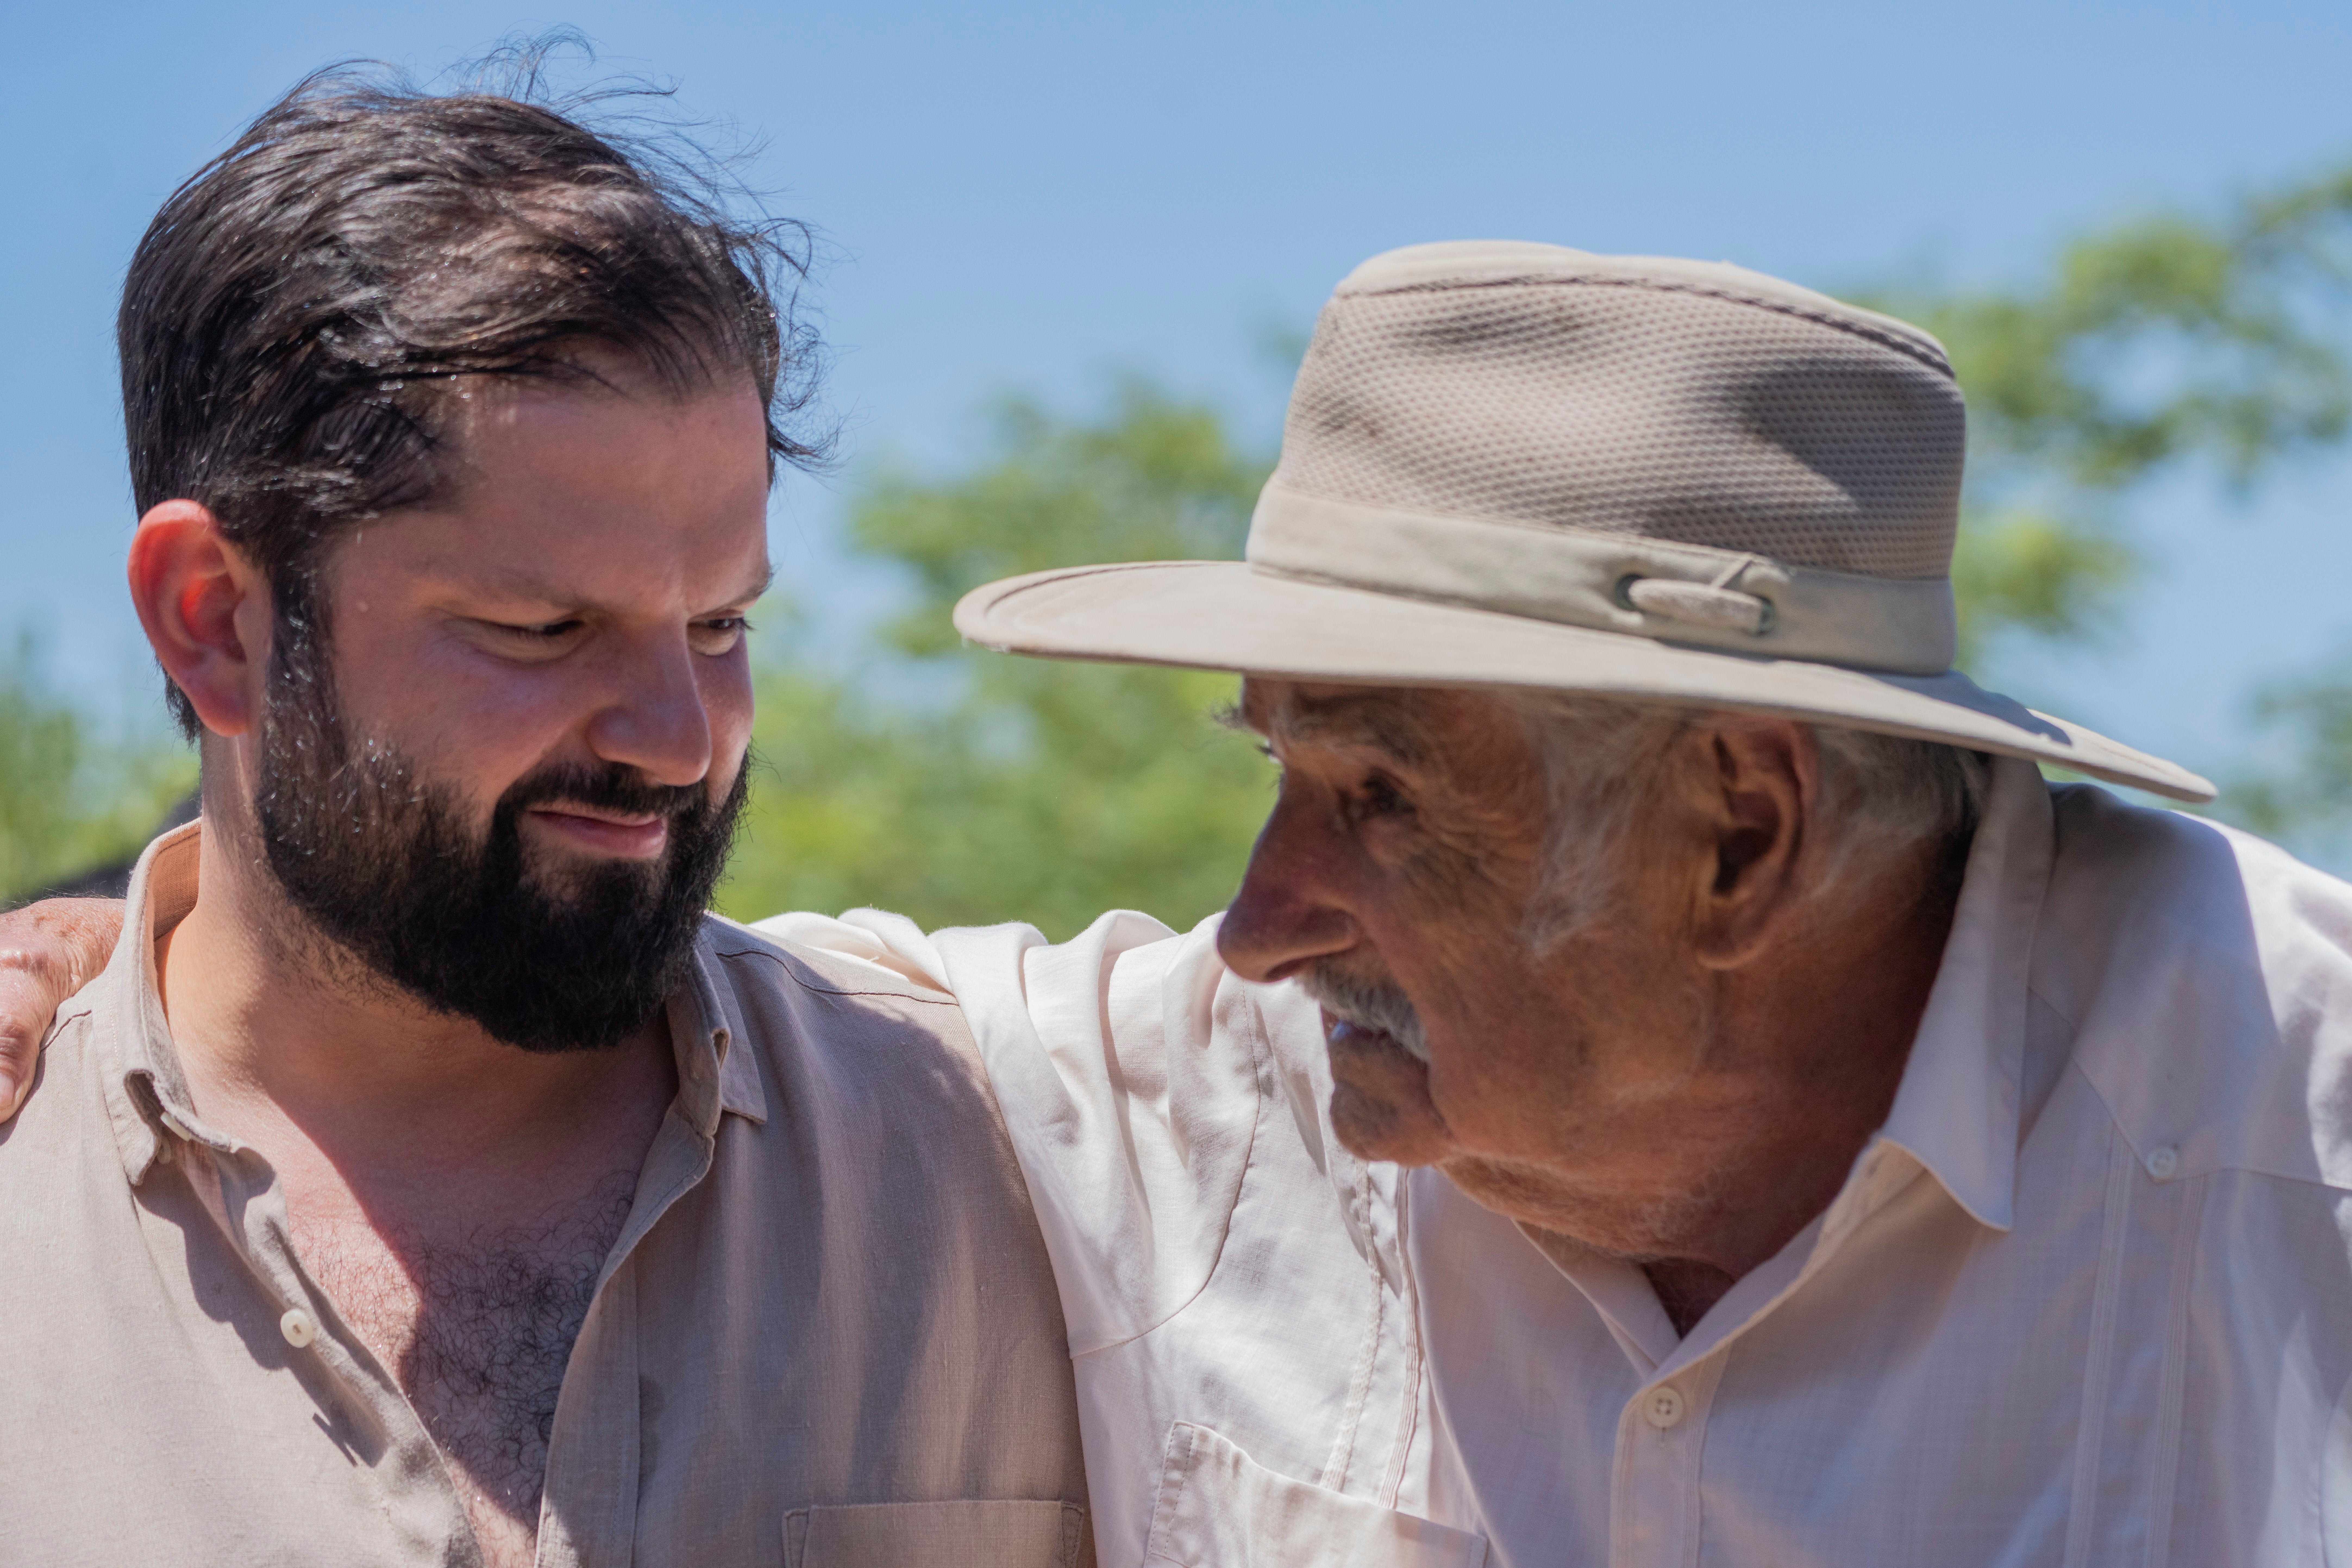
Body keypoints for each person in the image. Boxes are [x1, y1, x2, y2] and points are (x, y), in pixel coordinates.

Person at [13, 242, 2351, 1566]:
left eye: (1371, 791)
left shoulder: (2297, 1149)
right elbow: (505, 943)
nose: (1251, 920)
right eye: (1275, 766)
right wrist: (101, 941)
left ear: (1740, 826)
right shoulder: (1153, 1099)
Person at [0, 68, 1089, 1567]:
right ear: (215, 623)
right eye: (540, 626)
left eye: (719, 624)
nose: (679, 737)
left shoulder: (1037, 1153)